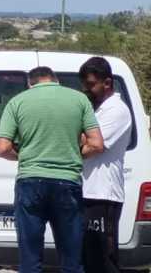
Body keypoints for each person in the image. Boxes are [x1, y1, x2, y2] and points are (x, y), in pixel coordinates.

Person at [0, 66, 105, 273]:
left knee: (30, 260)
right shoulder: (79, 100)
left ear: (30, 84)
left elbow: (2, 148)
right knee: (72, 260)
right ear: (57, 81)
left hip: (30, 182)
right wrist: (72, 153)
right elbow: (97, 144)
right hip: (67, 182)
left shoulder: (17, 102)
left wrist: (24, 156)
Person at [80, 57, 133, 273]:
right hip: (86, 191)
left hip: (104, 195)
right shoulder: (95, 109)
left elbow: (95, 146)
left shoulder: (116, 110)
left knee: (104, 259)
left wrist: (78, 140)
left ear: (107, 83)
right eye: (84, 85)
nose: (87, 90)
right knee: (88, 257)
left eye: (91, 84)